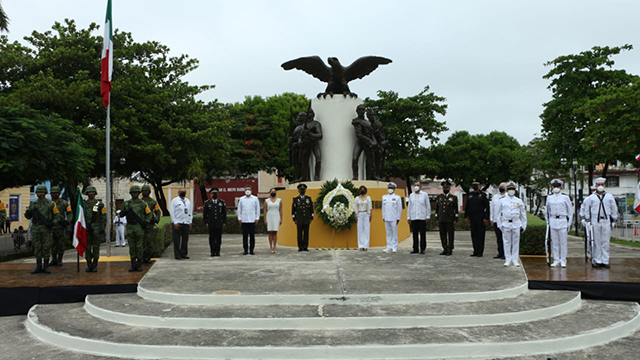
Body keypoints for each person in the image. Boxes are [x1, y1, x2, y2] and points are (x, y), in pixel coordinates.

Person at [24, 185, 60, 274]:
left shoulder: (51, 204)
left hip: (46, 229)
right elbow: (28, 216)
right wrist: (28, 213)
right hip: (36, 228)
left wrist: (52, 223)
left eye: (42, 192)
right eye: (39, 192)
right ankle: (38, 266)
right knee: (37, 247)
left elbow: (57, 216)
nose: (40, 194)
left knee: (46, 247)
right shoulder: (33, 204)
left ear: (45, 193)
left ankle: (46, 266)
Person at [583, 177, 618, 269]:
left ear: (605, 185)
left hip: (606, 220)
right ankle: (597, 260)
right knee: (596, 241)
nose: (600, 186)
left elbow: (614, 209)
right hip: (595, 221)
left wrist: (614, 219)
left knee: (605, 241)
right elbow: (587, 209)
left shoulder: (609, 196)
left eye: (602, 185)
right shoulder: (591, 197)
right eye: (598, 185)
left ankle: (605, 260)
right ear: (596, 186)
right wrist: (587, 220)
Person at [120, 185, 151, 271]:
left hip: (139, 226)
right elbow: (121, 214)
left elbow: (149, 214)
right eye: (133, 193)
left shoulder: (143, 204)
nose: (134, 194)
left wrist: (146, 222)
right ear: (130, 193)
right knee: (132, 246)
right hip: (130, 227)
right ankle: (133, 264)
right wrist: (124, 211)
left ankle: (139, 264)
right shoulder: (126, 203)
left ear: (139, 193)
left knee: (139, 246)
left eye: (136, 192)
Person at [497, 182, 527, 267]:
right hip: (506, 223)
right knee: (506, 242)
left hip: (516, 223)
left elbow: (523, 214)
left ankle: (515, 260)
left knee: (515, 242)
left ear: (515, 190)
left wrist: (524, 225)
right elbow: (498, 214)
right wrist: (499, 225)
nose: (511, 191)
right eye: (509, 189)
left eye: (512, 189)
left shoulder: (519, 201)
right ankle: (508, 259)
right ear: (506, 190)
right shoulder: (502, 200)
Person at [545, 179, 573, 268]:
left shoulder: (565, 197)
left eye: (557, 186)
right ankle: (556, 260)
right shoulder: (549, 198)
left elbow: (570, 211)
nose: (556, 188)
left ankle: (563, 260)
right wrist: (548, 221)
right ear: (552, 187)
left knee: (563, 242)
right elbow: (547, 211)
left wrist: (569, 222)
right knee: (555, 242)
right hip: (553, 220)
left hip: (562, 220)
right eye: (554, 187)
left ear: (561, 187)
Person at [464, 180, 490, 257]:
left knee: (480, 235)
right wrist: (466, 216)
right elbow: (467, 207)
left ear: (480, 186)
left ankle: (480, 251)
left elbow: (487, 207)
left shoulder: (483, 195)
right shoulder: (470, 195)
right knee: (473, 235)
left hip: (480, 217)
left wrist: (486, 217)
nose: (475, 186)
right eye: (473, 185)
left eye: (477, 185)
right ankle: (475, 250)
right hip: (472, 217)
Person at [83, 185, 106, 272]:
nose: (91, 194)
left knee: (96, 247)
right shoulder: (84, 204)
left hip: (96, 228)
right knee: (87, 248)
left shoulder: (100, 205)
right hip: (86, 228)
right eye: (89, 193)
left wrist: (102, 228)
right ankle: (89, 264)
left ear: (95, 193)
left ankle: (95, 264)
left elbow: (104, 217)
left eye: (92, 192)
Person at [351, 104, 378, 180]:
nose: (362, 111)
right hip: (361, 142)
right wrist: (370, 141)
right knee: (355, 158)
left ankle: (372, 176)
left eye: (363, 110)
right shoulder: (356, 121)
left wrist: (374, 142)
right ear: (357, 111)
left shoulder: (368, 122)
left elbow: (371, 133)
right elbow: (359, 135)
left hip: (368, 143)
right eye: (360, 110)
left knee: (371, 161)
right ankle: (355, 176)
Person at [49, 186, 72, 266]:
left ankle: (59, 259)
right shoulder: (48, 203)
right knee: (52, 244)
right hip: (51, 226)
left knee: (61, 244)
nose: (54, 194)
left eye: (56, 193)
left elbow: (69, 213)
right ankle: (54, 259)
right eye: (53, 193)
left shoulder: (64, 203)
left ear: (59, 194)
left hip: (61, 227)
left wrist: (67, 221)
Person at [434, 180, 458, 256]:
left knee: (450, 235)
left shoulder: (453, 197)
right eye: (444, 187)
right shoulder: (439, 197)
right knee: (442, 235)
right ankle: (445, 248)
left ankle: (450, 249)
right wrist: (437, 218)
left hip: (450, 219)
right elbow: (437, 209)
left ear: (449, 188)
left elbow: (456, 210)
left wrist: (455, 219)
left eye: (447, 187)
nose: (445, 189)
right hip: (441, 219)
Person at [407, 181, 430, 254]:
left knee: (422, 234)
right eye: (415, 185)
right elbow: (409, 207)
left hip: (422, 217)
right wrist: (408, 217)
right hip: (414, 217)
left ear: (421, 186)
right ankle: (415, 248)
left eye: (418, 185)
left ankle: (422, 248)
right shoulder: (411, 195)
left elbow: (427, 206)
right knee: (414, 234)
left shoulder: (424, 195)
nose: (416, 186)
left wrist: (428, 216)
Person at [141, 185, 162, 263]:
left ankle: (148, 256)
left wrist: (156, 219)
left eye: (146, 191)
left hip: (149, 224)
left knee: (149, 241)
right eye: (143, 191)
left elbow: (158, 211)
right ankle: (142, 257)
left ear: (149, 192)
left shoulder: (153, 202)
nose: (144, 192)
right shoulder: (139, 202)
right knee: (141, 242)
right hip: (141, 224)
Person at [170, 187, 192, 260]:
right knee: (177, 240)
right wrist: (174, 222)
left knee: (185, 239)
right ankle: (177, 255)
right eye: (181, 191)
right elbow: (172, 212)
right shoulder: (174, 201)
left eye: (184, 191)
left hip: (186, 222)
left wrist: (190, 222)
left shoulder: (188, 201)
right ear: (178, 192)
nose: (183, 193)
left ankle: (183, 253)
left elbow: (190, 212)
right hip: (178, 222)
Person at [237, 185, 260, 255]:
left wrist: (257, 218)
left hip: (252, 220)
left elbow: (257, 209)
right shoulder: (241, 199)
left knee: (252, 236)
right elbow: (239, 209)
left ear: (251, 190)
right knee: (245, 236)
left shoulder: (255, 199)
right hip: (244, 220)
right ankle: (245, 250)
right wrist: (239, 218)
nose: (247, 191)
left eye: (249, 189)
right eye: (246, 189)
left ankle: (252, 250)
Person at [203, 187, 226, 257]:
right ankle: (212, 251)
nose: (215, 195)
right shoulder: (207, 203)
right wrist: (206, 222)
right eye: (213, 194)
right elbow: (205, 214)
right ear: (210, 195)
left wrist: (224, 222)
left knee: (218, 238)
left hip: (219, 223)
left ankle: (218, 251)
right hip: (211, 223)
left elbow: (224, 213)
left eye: (216, 193)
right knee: (212, 238)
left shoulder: (221, 203)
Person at [292, 183, 314, 251]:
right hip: (299, 219)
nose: (302, 191)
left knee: (306, 234)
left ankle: (305, 247)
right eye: (301, 190)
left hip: (307, 219)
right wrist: (294, 219)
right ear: (298, 190)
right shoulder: (296, 199)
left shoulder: (308, 198)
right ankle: (300, 247)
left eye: (303, 190)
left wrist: (311, 217)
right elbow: (293, 210)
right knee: (299, 234)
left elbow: (311, 209)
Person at [382, 182, 402, 253]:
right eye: (389, 188)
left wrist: (398, 218)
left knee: (394, 233)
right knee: (388, 233)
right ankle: (389, 246)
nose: (390, 189)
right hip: (387, 217)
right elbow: (383, 208)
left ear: (394, 189)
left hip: (394, 217)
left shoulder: (397, 197)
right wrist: (383, 216)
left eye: (391, 188)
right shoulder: (384, 197)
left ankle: (394, 247)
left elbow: (399, 209)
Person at [490, 182, 507, 260]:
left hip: (505, 221)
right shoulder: (495, 197)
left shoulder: (508, 197)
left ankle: (505, 253)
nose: (501, 188)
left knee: (505, 238)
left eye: (503, 186)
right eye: (500, 186)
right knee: (498, 238)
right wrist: (492, 219)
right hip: (496, 221)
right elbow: (492, 209)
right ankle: (500, 253)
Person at [264, 187, 282, 254]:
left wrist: (281, 218)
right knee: (270, 232)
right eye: (271, 191)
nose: (273, 192)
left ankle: (275, 246)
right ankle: (271, 246)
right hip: (269, 216)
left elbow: (281, 210)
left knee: (275, 232)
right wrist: (265, 219)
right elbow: (265, 210)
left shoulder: (279, 200)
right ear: (270, 192)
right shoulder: (267, 201)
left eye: (274, 191)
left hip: (276, 216)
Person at [355, 185, 372, 251]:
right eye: (361, 189)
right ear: (359, 191)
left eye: (363, 189)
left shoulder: (368, 198)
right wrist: (355, 215)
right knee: (360, 230)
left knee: (366, 230)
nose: (362, 190)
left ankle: (366, 246)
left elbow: (370, 207)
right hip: (359, 214)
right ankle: (360, 245)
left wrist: (370, 215)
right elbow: (355, 207)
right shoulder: (357, 198)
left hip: (366, 214)